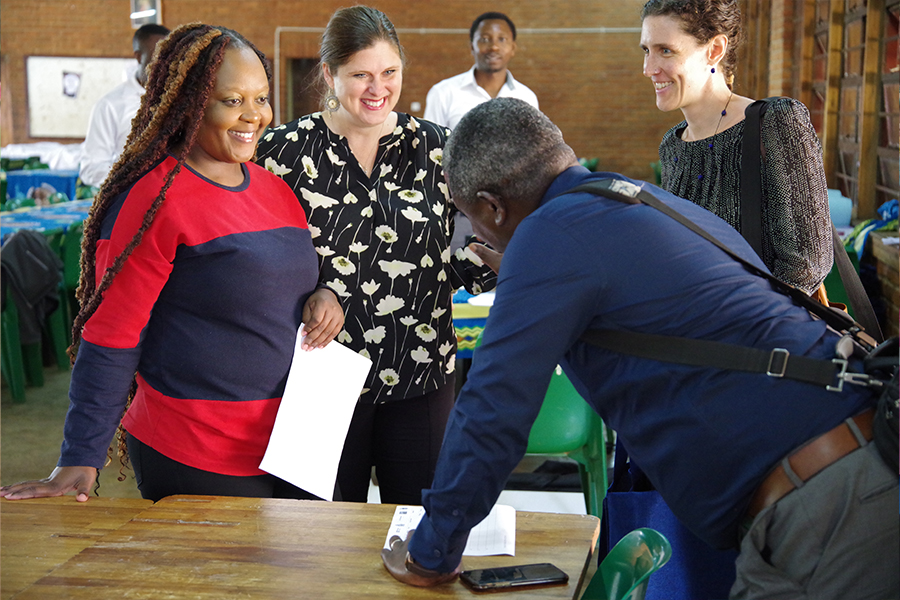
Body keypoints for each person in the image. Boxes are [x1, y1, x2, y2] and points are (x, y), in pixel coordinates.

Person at [380, 98, 898, 599]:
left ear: (492, 205)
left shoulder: (549, 236)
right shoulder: (641, 200)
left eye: (472, 217)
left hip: (828, 504)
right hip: (851, 464)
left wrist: (433, 551)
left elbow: (491, 410)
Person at [0, 24, 343, 503]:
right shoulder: (153, 200)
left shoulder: (276, 191)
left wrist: (324, 295)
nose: (254, 116)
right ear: (189, 104)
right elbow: (111, 334)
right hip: (197, 452)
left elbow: (281, 282)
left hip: (292, 445)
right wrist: (80, 455)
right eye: (232, 100)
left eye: (261, 99)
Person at [256, 6, 497, 506]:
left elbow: (487, 235)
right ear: (329, 73)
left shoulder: (436, 146)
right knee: (314, 547)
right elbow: (257, 260)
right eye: (360, 74)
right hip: (319, 375)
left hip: (421, 370)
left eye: (389, 72)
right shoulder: (283, 152)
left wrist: (470, 269)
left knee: (417, 528)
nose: (377, 88)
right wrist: (309, 293)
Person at [640, 0, 832, 296]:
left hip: (761, 334)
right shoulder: (672, 145)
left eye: (666, 50)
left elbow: (805, 266)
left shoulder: (775, 123)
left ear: (714, 50)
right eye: (647, 50)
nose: (649, 69)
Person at [79, 23, 170, 188]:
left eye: (169, 58)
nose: (163, 66)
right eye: (156, 58)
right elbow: (92, 168)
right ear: (139, 57)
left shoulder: (181, 100)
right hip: (131, 198)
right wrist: (135, 178)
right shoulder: (111, 106)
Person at [423, 12, 538, 130]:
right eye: (485, 39)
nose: (494, 47)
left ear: (513, 48)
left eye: (502, 39)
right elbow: (431, 145)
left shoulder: (527, 97)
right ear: (472, 46)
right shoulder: (443, 93)